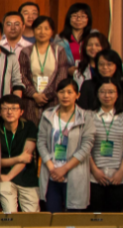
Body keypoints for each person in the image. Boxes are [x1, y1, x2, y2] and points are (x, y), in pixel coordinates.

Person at [36, 78, 94, 213]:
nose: (65, 96)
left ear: (77, 95)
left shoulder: (86, 117)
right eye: (61, 92)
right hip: (51, 174)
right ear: (57, 94)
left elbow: (86, 146)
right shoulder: (48, 115)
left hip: (74, 174)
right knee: (52, 216)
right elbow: (41, 141)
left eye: (69, 92)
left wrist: (64, 169)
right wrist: (52, 168)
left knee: (73, 219)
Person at [84, 78, 123, 213]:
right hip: (93, 176)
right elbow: (84, 146)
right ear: (97, 94)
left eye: (111, 92)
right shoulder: (87, 115)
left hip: (119, 175)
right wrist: (95, 170)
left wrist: (122, 171)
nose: (107, 95)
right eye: (102, 92)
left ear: (118, 94)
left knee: (114, 216)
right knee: (94, 216)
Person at [19, 15, 74, 125]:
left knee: (51, 129)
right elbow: (22, 76)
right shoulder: (26, 51)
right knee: (31, 129)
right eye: (39, 28)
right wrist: (35, 95)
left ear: (52, 32)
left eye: (46, 28)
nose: (42, 32)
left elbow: (61, 76)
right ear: (33, 30)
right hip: (31, 101)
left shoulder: (59, 50)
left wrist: (46, 96)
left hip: (53, 100)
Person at [0, 94, 39, 214]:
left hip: (26, 177)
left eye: (14, 108)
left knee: (32, 217)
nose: (10, 112)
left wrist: (9, 175)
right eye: (5, 108)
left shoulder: (29, 127)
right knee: (10, 214)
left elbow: (26, 158)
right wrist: (19, 158)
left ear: (21, 112)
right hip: (3, 177)